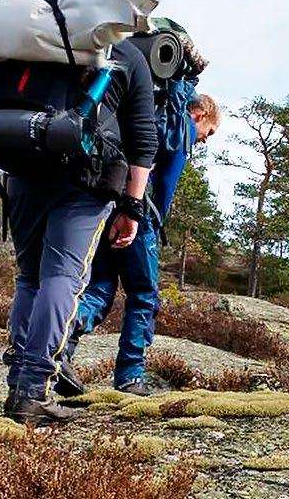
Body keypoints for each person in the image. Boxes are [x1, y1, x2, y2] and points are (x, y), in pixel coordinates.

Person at [3, 37, 158, 424]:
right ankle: (33, 392)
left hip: (21, 167)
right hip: (82, 177)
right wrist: (131, 207)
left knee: (29, 278)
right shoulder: (128, 55)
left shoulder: (36, 34)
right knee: (62, 278)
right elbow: (143, 141)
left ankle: (15, 384)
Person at [63, 93, 221, 395]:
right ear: (200, 114)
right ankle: (130, 377)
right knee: (144, 296)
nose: (205, 140)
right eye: (209, 132)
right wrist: (155, 219)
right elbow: (165, 185)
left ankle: (59, 344)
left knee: (98, 288)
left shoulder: (147, 115)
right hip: (139, 213)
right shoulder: (181, 127)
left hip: (109, 201)